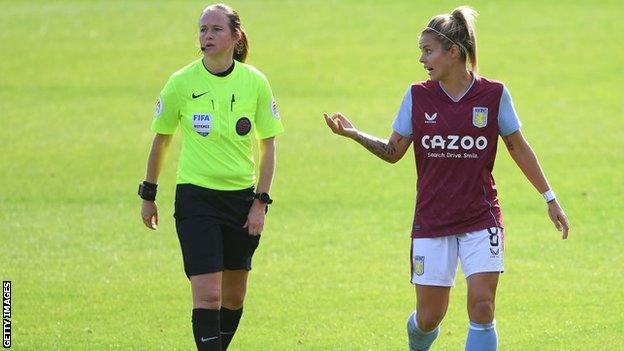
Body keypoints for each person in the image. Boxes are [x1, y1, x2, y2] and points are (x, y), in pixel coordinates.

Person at [324, 6, 569, 351]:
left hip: (481, 218)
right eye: (421, 51)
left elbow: (517, 147)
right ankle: (417, 338)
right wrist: (354, 135)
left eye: (428, 51)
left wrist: (550, 198)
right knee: (429, 317)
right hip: (433, 220)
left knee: (482, 305)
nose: (422, 59)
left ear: (453, 52)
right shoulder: (417, 96)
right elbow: (394, 152)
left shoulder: (494, 95)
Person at [138, 4, 284, 350]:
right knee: (208, 296)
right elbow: (162, 140)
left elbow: (269, 146)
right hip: (196, 199)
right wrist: (148, 193)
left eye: (216, 29)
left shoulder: (255, 83)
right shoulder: (180, 82)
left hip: (241, 201)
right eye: (203, 30)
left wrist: (260, 203)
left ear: (236, 37)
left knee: (233, 297)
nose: (207, 36)